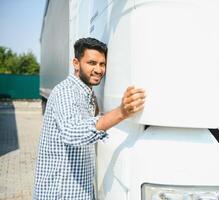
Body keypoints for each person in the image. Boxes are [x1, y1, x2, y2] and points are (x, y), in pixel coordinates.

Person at [33, 37, 146, 200]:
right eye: (92, 63)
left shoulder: (86, 93)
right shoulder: (65, 92)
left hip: (77, 191)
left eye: (102, 64)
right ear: (76, 63)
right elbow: (73, 133)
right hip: (60, 193)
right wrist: (121, 112)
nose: (99, 69)